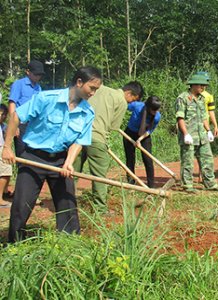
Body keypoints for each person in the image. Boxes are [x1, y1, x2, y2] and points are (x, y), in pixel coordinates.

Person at [2, 66, 101, 242]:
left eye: (96, 90)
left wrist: (69, 162)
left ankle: (69, 244)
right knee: (21, 204)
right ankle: (14, 243)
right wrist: (7, 147)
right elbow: (17, 116)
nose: (93, 93)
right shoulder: (46, 99)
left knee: (68, 204)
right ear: (79, 82)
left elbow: (79, 140)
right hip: (33, 158)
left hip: (60, 160)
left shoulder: (87, 112)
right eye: (91, 88)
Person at [75, 81, 144, 212]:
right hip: (97, 137)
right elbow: (114, 127)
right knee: (99, 175)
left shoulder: (99, 89)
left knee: (73, 170)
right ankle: (100, 209)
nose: (129, 103)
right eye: (131, 100)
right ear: (129, 93)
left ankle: (66, 201)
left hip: (78, 134)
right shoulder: (122, 102)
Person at [176, 74, 218, 193]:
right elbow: (180, 118)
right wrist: (185, 133)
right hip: (189, 136)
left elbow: (203, 118)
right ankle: (187, 185)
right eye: (201, 85)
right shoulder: (183, 98)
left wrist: (208, 131)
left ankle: (210, 183)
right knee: (188, 161)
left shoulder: (201, 99)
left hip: (202, 136)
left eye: (204, 85)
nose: (203, 87)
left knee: (207, 159)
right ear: (194, 85)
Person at [8, 60, 45, 157]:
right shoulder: (18, 84)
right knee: (21, 152)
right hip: (21, 123)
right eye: (36, 74)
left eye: (40, 75)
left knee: (33, 153)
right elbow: (12, 103)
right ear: (28, 72)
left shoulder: (38, 87)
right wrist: (14, 125)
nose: (38, 77)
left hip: (33, 124)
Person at [123, 96, 161, 188]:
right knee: (130, 158)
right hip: (130, 133)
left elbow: (150, 131)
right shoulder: (137, 107)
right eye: (153, 110)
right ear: (148, 107)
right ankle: (131, 182)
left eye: (157, 110)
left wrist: (139, 140)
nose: (155, 112)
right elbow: (123, 105)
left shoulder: (157, 116)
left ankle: (151, 186)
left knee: (147, 159)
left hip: (144, 136)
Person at [196, 71, 218, 137]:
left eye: (207, 81)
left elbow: (211, 111)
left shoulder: (209, 96)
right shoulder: (191, 94)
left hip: (205, 128)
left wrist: (215, 126)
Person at [0, 104, 13, 207]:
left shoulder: (4, 126)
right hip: (1, 148)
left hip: (2, 147)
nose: (3, 116)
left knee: (6, 172)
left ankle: (4, 192)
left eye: (4, 114)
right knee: (5, 172)